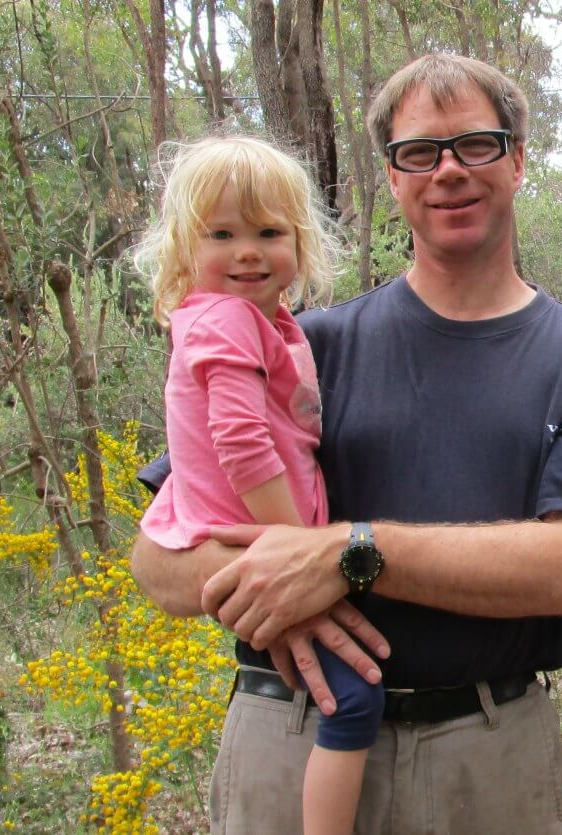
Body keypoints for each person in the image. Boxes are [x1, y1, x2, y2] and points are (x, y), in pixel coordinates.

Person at [129, 53, 562, 835]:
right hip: (293, 736)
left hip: (487, 753)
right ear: (392, 177)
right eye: (419, 152)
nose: (447, 171)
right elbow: (159, 563)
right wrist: (288, 594)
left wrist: (350, 552)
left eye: (475, 144)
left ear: (518, 160)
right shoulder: (301, 347)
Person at [130, 133, 374, 835]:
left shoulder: (268, 325)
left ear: (299, 245)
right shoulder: (228, 322)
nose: (248, 251)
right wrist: (298, 547)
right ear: (184, 247)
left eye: (269, 232)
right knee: (352, 699)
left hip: (256, 535)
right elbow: (241, 444)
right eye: (222, 234)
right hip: (260, 538)